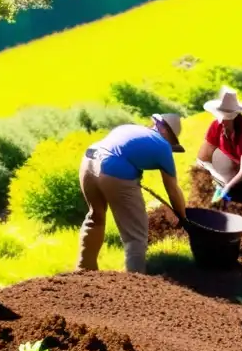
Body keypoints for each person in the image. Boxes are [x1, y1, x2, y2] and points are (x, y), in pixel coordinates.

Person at [76, 113, 188, 274]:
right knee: (136, 236)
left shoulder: (130, 128)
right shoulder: (163, 146)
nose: (169, 145)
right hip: (112, 168)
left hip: (88, 161)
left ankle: (83, 271)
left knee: (95, 217)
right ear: (165, 131)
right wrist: (183, 217)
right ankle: (135, 285)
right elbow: (172, 189)